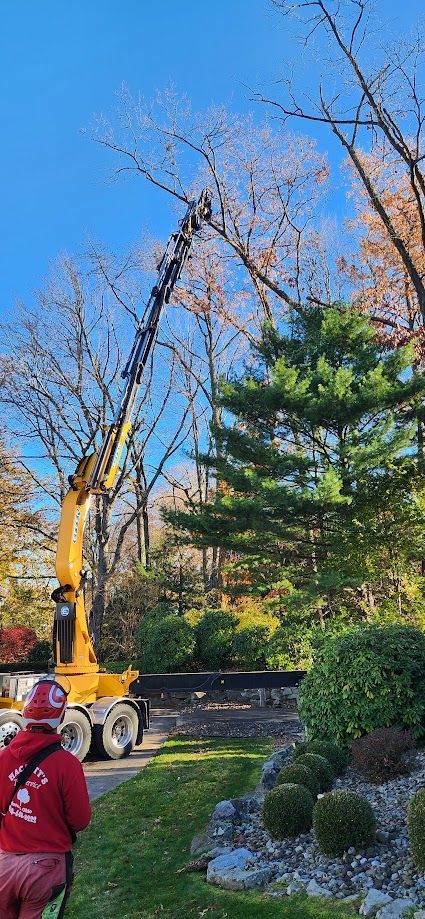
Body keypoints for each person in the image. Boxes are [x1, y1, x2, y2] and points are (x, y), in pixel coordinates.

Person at [0, 679, 91, 918]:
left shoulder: (3, 758)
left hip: (4, 866)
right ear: (60, 719)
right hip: (45, 870)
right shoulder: (67, 764)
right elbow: (80, 820)